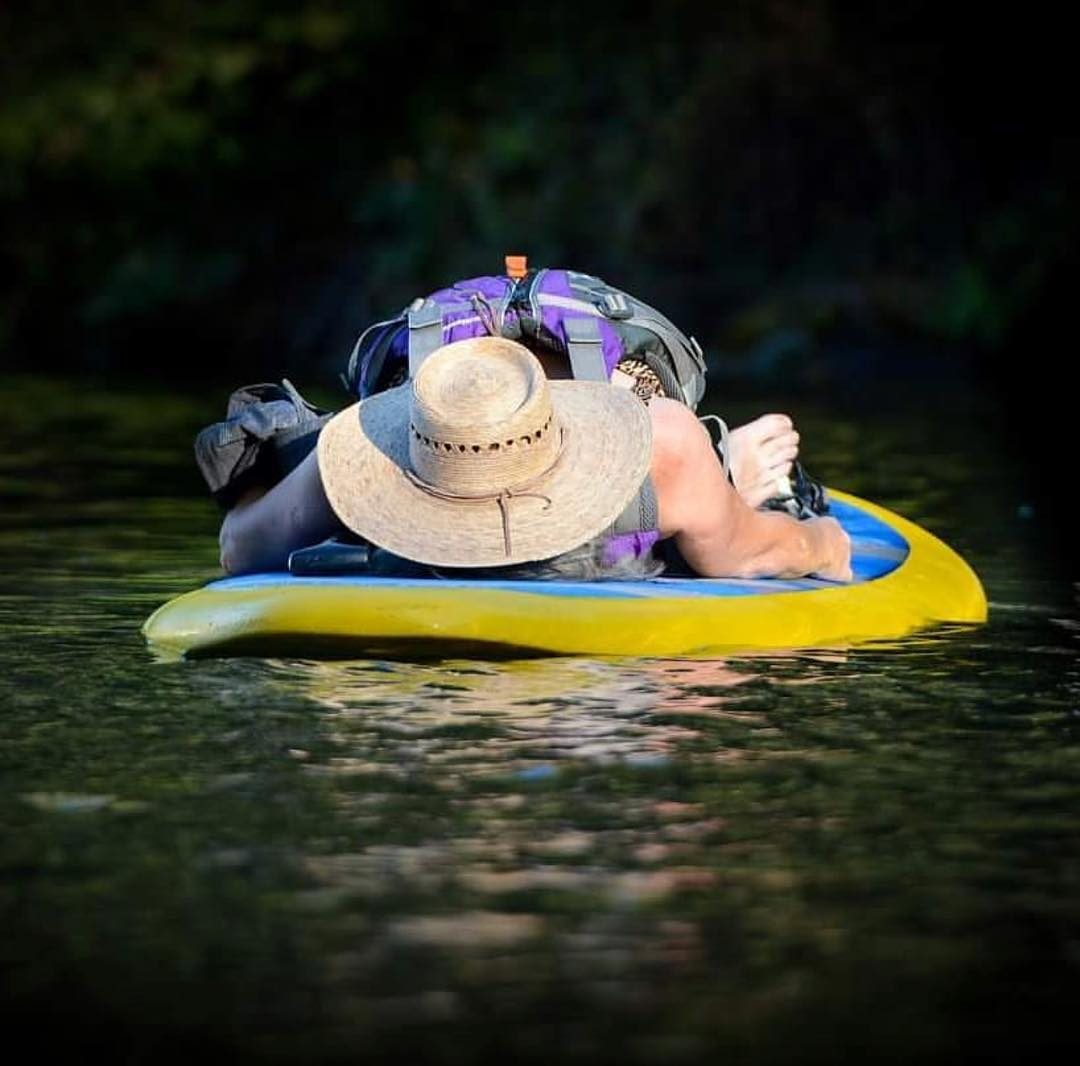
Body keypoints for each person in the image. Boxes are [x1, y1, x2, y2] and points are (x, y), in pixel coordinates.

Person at [217, 337, 852, 583]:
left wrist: (275, 489)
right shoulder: (358, 459)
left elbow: (240, 548)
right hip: (661, 474)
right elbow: (764, 553)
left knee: (680, 472)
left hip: (655, 465)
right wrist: (826, 543)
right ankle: (726, 475)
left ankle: (722, 476)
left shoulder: (363, 457)